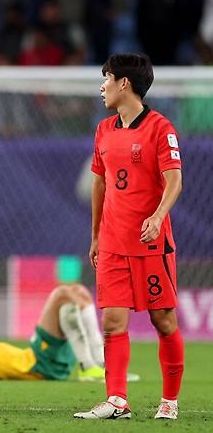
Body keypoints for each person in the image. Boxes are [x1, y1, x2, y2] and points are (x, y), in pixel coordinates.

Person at [75, 53, 183, 420]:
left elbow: (175, 179)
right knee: (112, 324)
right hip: (112, 243)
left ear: (125, 83)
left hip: (152, 243)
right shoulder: (103, 130)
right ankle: (117, 400)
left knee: (163, 321)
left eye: (106, 78)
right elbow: (100, 182)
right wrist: (94, 236)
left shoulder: (160, 128)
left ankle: (169, 401)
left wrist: (157, 216)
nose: (101, 86)